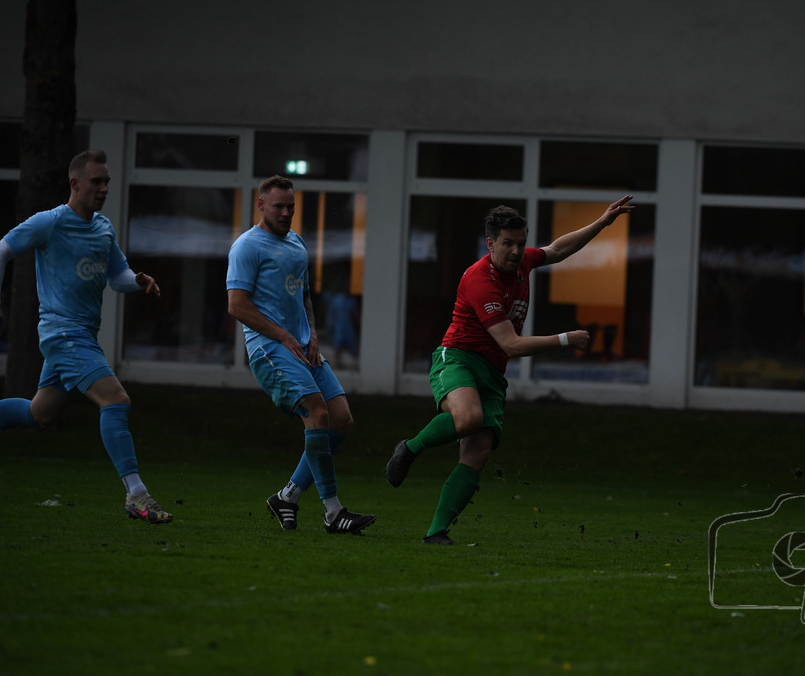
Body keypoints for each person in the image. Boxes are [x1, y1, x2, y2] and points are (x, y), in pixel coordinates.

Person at [385, 196, 634, 544]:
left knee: (479, 450)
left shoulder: (522, 262)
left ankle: (436, 533)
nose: (517, 251)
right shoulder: (480, 280)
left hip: (492, 370)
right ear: (490, 244)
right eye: (508, 244)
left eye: (521, 243)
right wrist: (565, 339)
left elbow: (558, 249)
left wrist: (602, 222)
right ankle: (410, 448)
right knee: (469, 419)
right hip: (458, 358)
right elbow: (511, 344)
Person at [0, 150, 173, 523]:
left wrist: (137, 281)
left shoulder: (103, 228)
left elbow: (116, 275)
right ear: (75, 183)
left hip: (82, 334)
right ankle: (137, 495)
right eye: (96, 182)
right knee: (115, 400)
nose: (104, 188)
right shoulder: (50, 222)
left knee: (39, 414)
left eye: (107, 182)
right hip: (62, 333)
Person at [227, 175, 375, 535]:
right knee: (317, 412)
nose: (285, 212)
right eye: (278, 206)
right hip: (270, 349)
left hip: (303, 347)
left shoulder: (297, 243)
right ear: (261, 205)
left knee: (341, 419)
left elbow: (304, 295)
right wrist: (283, 336)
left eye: (290, 206)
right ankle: (333, 512)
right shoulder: (246, 247)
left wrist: (313, 335)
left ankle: (287, 497)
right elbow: (237, 306)